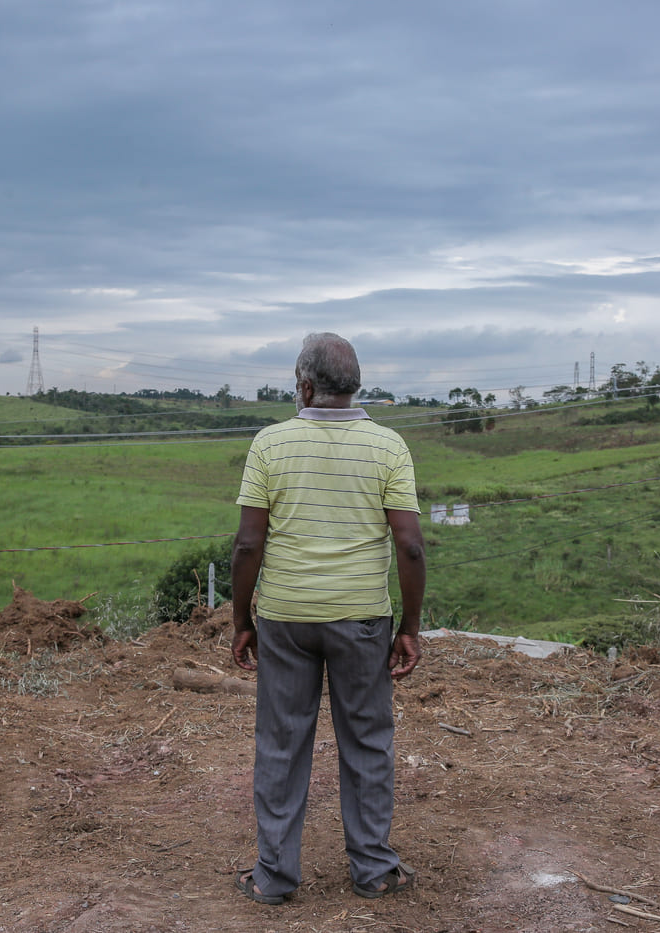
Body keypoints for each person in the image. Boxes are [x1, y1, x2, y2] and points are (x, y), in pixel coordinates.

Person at [230, 332, 426, 905]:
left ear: (306, 386)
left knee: (281, 744)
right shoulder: (389, 447)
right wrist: (409, 628)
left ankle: (273, 877)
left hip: (286, 618)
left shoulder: (270, 444)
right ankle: (373, 870)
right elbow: (410, 547)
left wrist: (242, 619)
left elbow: (247, 545)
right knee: (367, 741)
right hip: (363, 620)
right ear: (354, 385)